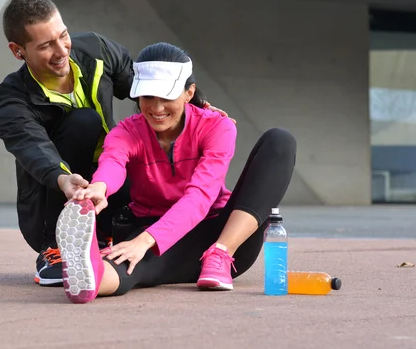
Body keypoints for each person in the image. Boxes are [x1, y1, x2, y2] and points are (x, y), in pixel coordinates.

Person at [0, 0, 231, 287]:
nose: (61, 50)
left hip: (111, 178)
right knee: (85, 122)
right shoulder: (12, 98)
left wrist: (198, 106)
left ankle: (104, 234)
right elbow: (32, 147)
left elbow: (150, 85)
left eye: (63, 35)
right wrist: (62, 178)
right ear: (18, 51)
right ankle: (55, 248)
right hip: (56, 191)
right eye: (45, 46)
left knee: (128, 157)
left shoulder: (96, 50)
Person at [55, 42, 297, 304]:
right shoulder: (126, 132)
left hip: (218, 234)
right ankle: (88, 276)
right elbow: (112, 161)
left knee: (280, 142)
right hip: (150, 230)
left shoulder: (218, 127)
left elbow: (201, 196)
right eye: (148, 97)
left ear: (189, 92)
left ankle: (220, 254)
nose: (156, 108)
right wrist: (99, 188)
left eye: (166, 96)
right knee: (131, 261)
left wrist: (146, 240)